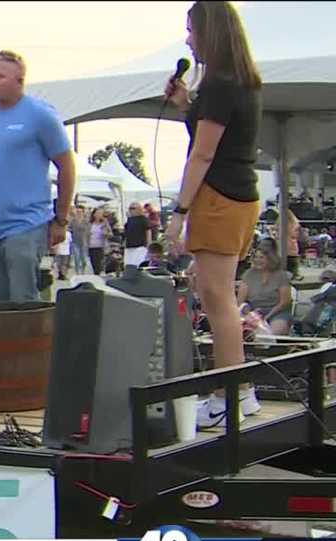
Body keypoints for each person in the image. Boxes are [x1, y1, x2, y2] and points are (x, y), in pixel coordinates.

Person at [163, 0, 263, 428]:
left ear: (210, 32)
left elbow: (203, 155)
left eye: (192, 30)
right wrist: (188, 106)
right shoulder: (237, 82)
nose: (188, 39)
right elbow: (213, 137)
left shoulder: (222, 84)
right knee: (220, 299)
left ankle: (233, 395)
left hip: (219, 199)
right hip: (237, 196)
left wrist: (179, 211)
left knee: (218, 301)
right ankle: (238, 392)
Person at [0, 51, 75, 302]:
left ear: (19, 81)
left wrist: (61, 219)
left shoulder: (41, 115)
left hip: (27, 223)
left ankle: (34, 342)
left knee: (23, 299)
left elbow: (67, 167)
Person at [238, 248, 292, 335]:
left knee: (274, 332)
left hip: (277, 312)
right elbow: (240, 301)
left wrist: (267, 317)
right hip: (254, 311)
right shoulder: (248, 274)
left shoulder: (281, 276)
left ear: (270, 259)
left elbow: (284, 302)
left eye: (261, 257)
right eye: (255, 257)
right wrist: (250, 314)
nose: (257, 260)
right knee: (246, 333)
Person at [123, 202, 152, 268]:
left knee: (138, 265)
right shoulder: (129, 219)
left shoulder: (143, 219)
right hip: (129, 246)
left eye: (133, 208)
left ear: (139, 209)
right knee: (128, 265)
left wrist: (148, 244)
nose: (130, 210)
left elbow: (148, 231)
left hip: (140, 246)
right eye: (130, 208)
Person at [86, 208, 112, 275]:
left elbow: (111, 234)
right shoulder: (90, 223)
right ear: (94, 214)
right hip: (91, 245)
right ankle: (96, 274)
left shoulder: (104, 223)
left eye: (100, 213)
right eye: (97, 213)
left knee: (100, 263)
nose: (99, 215)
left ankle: (99, 275)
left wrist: (106, 233)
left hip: (101, 246)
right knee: (94, 263)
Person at [69, 205, 90, 274]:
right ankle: (77, 272)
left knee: (84, 259)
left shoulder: (86, 221)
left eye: (80, 212)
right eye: (77, 212)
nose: (79, 213)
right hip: (75, 241)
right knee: (76, 258)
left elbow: (89, 231)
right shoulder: (73, 221)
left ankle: (83, 271)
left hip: (84, 242)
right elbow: (69, 228)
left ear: (83, 213)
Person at [285, 208, 302, 281]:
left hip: (288, 247)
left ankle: (294, 274)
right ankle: (294, 274)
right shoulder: (295, 223)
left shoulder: (292, 223)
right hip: (290, 246)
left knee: (292, 261)